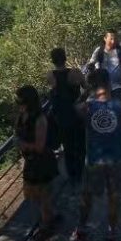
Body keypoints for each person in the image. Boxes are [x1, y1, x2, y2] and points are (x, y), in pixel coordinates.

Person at [69, 69, 121, 241]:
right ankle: (111, 232)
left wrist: (86, 91)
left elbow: (74, 107)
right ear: (109, 83)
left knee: (87, 196)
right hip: (118, 158)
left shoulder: (86, 107)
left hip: (94, 159)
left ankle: (81, 229)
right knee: (113, 196)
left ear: (93, 86)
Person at [15, 85, 58, 241]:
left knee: (42, 195)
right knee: (33, 195)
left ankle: (47, 226)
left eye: (20, 101)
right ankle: (49, 217)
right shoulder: (22, 115)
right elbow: (18, 133)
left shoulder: (40, 119)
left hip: (42, 161)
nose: (18, 103)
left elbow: (40, 146)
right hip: (30, 162)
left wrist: (22, 145)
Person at [47, 48, 86, 187]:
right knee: (80, 144)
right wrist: (80, 99)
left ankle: (73, 177)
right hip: (77, 112)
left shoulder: (50, 75)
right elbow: (87, 87)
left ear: (53, 60)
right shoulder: (75, 72)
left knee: (68, 147)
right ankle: (80, 173)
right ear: (65, 57)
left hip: (61, 116)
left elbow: (53, 93)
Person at [85, 29, 121, 101]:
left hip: (118, 86)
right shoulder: (99, 50)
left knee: (116, 108)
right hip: (102, 87)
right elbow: (91, 63)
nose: (113, 41)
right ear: (105, 39)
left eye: (115, 39)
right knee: (105, 109)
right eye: (111, 39)